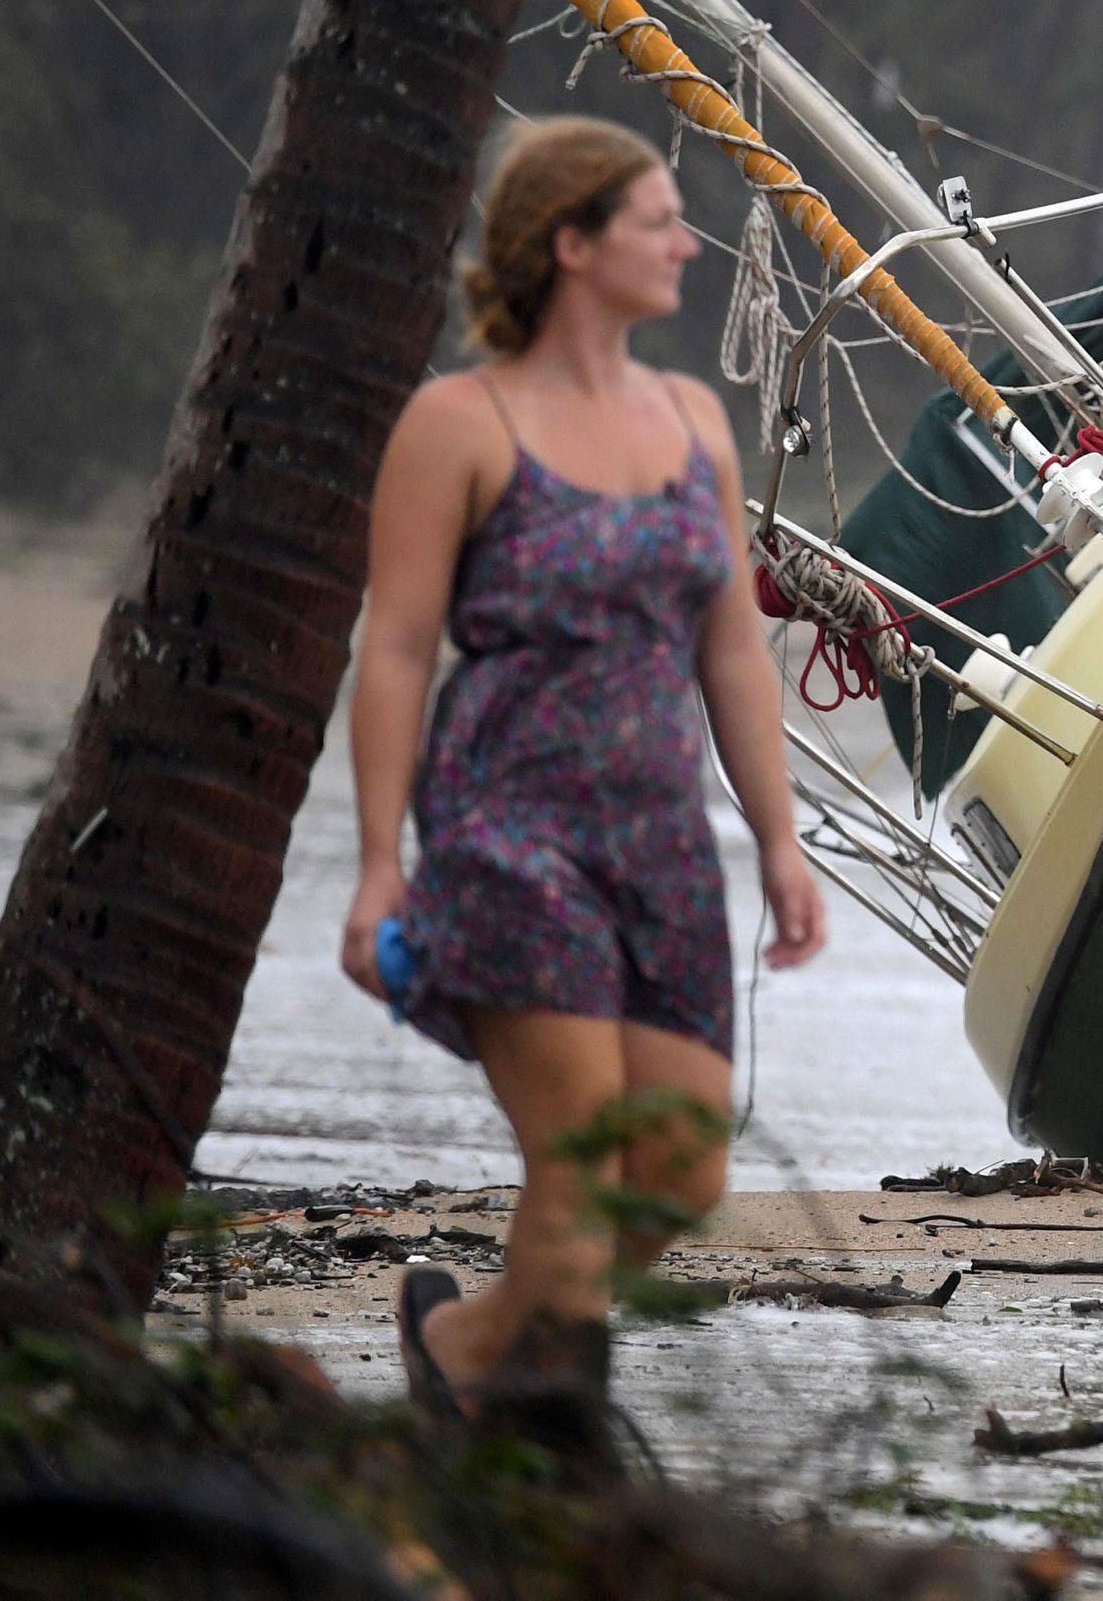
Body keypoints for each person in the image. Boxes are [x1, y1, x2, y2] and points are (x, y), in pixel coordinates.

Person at [343, 116, 825, 1417]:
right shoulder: (459, 422)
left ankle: (467, 1351)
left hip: (660, 841)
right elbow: (393, 649)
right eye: (659, 218)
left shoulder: (694, 422)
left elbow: (733, 649)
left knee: (677, 1171)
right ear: (571, 244)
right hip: (508, 831)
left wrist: (780, 842)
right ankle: (555, 1449)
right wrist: (380, 867)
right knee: (577, 1152)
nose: (688, 241)